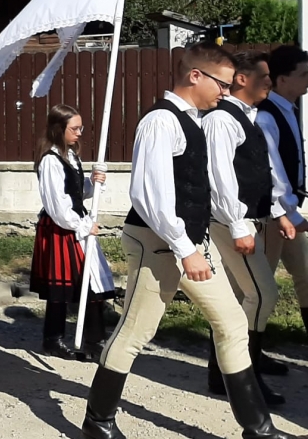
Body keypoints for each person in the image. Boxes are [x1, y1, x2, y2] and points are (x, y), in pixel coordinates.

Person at [82, 41, 301, 439]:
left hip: (188, 241)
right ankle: (98, 420)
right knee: (135, 331)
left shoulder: (196, 119)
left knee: (233, 321)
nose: (225, 90)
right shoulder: (161, 121)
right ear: (194, 76)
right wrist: (186, 250)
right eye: (220, 83)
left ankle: (258, 427)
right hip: (158, 241)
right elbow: (150, 195)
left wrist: (197, 244)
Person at [205, 51, 291, 405]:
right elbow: (221, 179)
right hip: (227, 221)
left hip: (245, 219)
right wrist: (239, 225)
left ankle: (224, 373)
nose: (271, 82)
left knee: (240, 299)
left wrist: (278, 211)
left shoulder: (249, 117)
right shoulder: (222, 120)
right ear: (242, 79)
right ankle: (245, 375)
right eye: (265, 76)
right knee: (263, 294)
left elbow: (258, 174)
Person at [29, 105, 113, 361]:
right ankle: (53, 339)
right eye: (74, 128)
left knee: (93, 282)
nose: (79, 133)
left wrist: (92, 183)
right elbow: (58, 205)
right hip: (62, 228)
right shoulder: (50, 162)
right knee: (63, 287)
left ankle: (94, 339)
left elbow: (77, 193)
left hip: (77, 224)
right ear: (58, 129)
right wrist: (83, 226)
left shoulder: (71, 157)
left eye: (81, 128)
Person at [257, 45, 308, 336]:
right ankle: (245, 355)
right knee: (259, 287)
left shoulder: (289, 109)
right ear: (283, 79)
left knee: (305, 276)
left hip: (289, 212)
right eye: (303, 74)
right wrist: (285, 212)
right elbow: (271, 170)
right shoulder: (267, 115)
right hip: (273, 217)